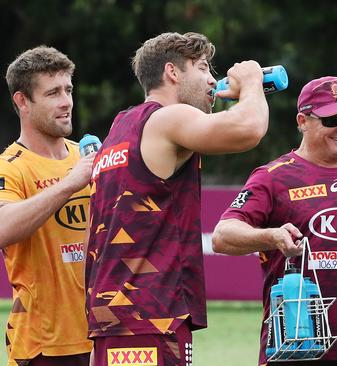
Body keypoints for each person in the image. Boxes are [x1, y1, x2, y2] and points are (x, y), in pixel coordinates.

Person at [85, 32, 269, 366]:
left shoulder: (121, 126)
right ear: (172, 72)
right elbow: (249, 129)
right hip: (149, 316)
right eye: (202, 68)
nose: (212, 79)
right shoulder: (166, 118)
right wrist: (253, 79)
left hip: (116, 317)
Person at [213, 76, 337, 366]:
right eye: (331, 120)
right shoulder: (273, 177)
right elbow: (223, 235)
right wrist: (271, 237)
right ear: (302, 121)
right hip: (293, 346)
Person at [0, 46, 94, 365]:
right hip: (43, 346)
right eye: (53, 92)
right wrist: (69, 183)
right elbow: (3, 228)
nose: (66, 101)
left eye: (68, 89)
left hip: (103, 334)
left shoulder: (87, 156)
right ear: (22, 101)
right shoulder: (10, 167)